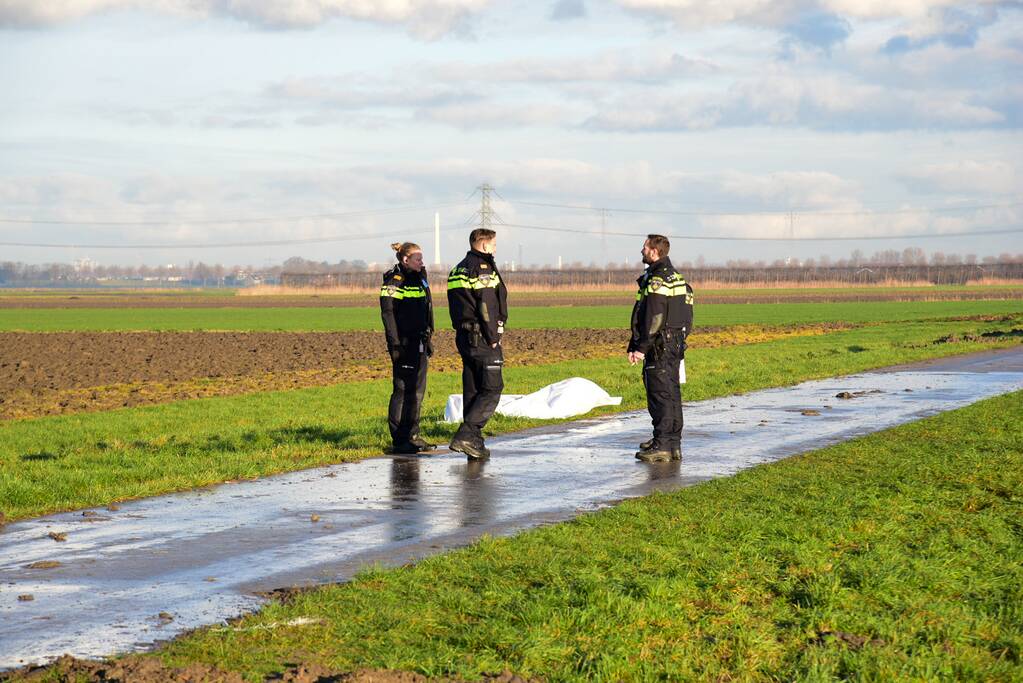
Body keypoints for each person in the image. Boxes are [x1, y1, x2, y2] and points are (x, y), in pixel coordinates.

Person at [627, 234, 694, 463]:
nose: (641, 251)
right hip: (674, 342)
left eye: (644, 247)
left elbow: (653, 316)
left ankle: (662, 444)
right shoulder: (677, 277)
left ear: (654, 251)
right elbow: (688, 316)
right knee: (672, 393)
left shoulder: (657, 279)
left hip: (659, 345)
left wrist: (641, 347)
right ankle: (672, 442)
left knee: (660, 395)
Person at [446, 228, 508, 460]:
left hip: (464, 336)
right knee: (492, 387)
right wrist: (493, 336)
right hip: (482, 337)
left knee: (472, 388)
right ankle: (467, 434)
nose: (495, 248)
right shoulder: (481, 268)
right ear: (483, 245)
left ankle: (474, 443)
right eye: (493, 244)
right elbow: (486, 305)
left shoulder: (457, 269)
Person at [380, 241, 436, 455]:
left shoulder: (420, 278)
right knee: (403, 390)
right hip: (403, 343)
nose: (422, 262)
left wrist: (429, 336)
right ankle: (399, 439)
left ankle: (412, 435)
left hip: (420, 341)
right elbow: (388, 314)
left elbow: (427, 308)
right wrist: (395, 344)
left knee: (417, 392)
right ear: (405, 260)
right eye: (418, 259)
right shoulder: (395, 281)